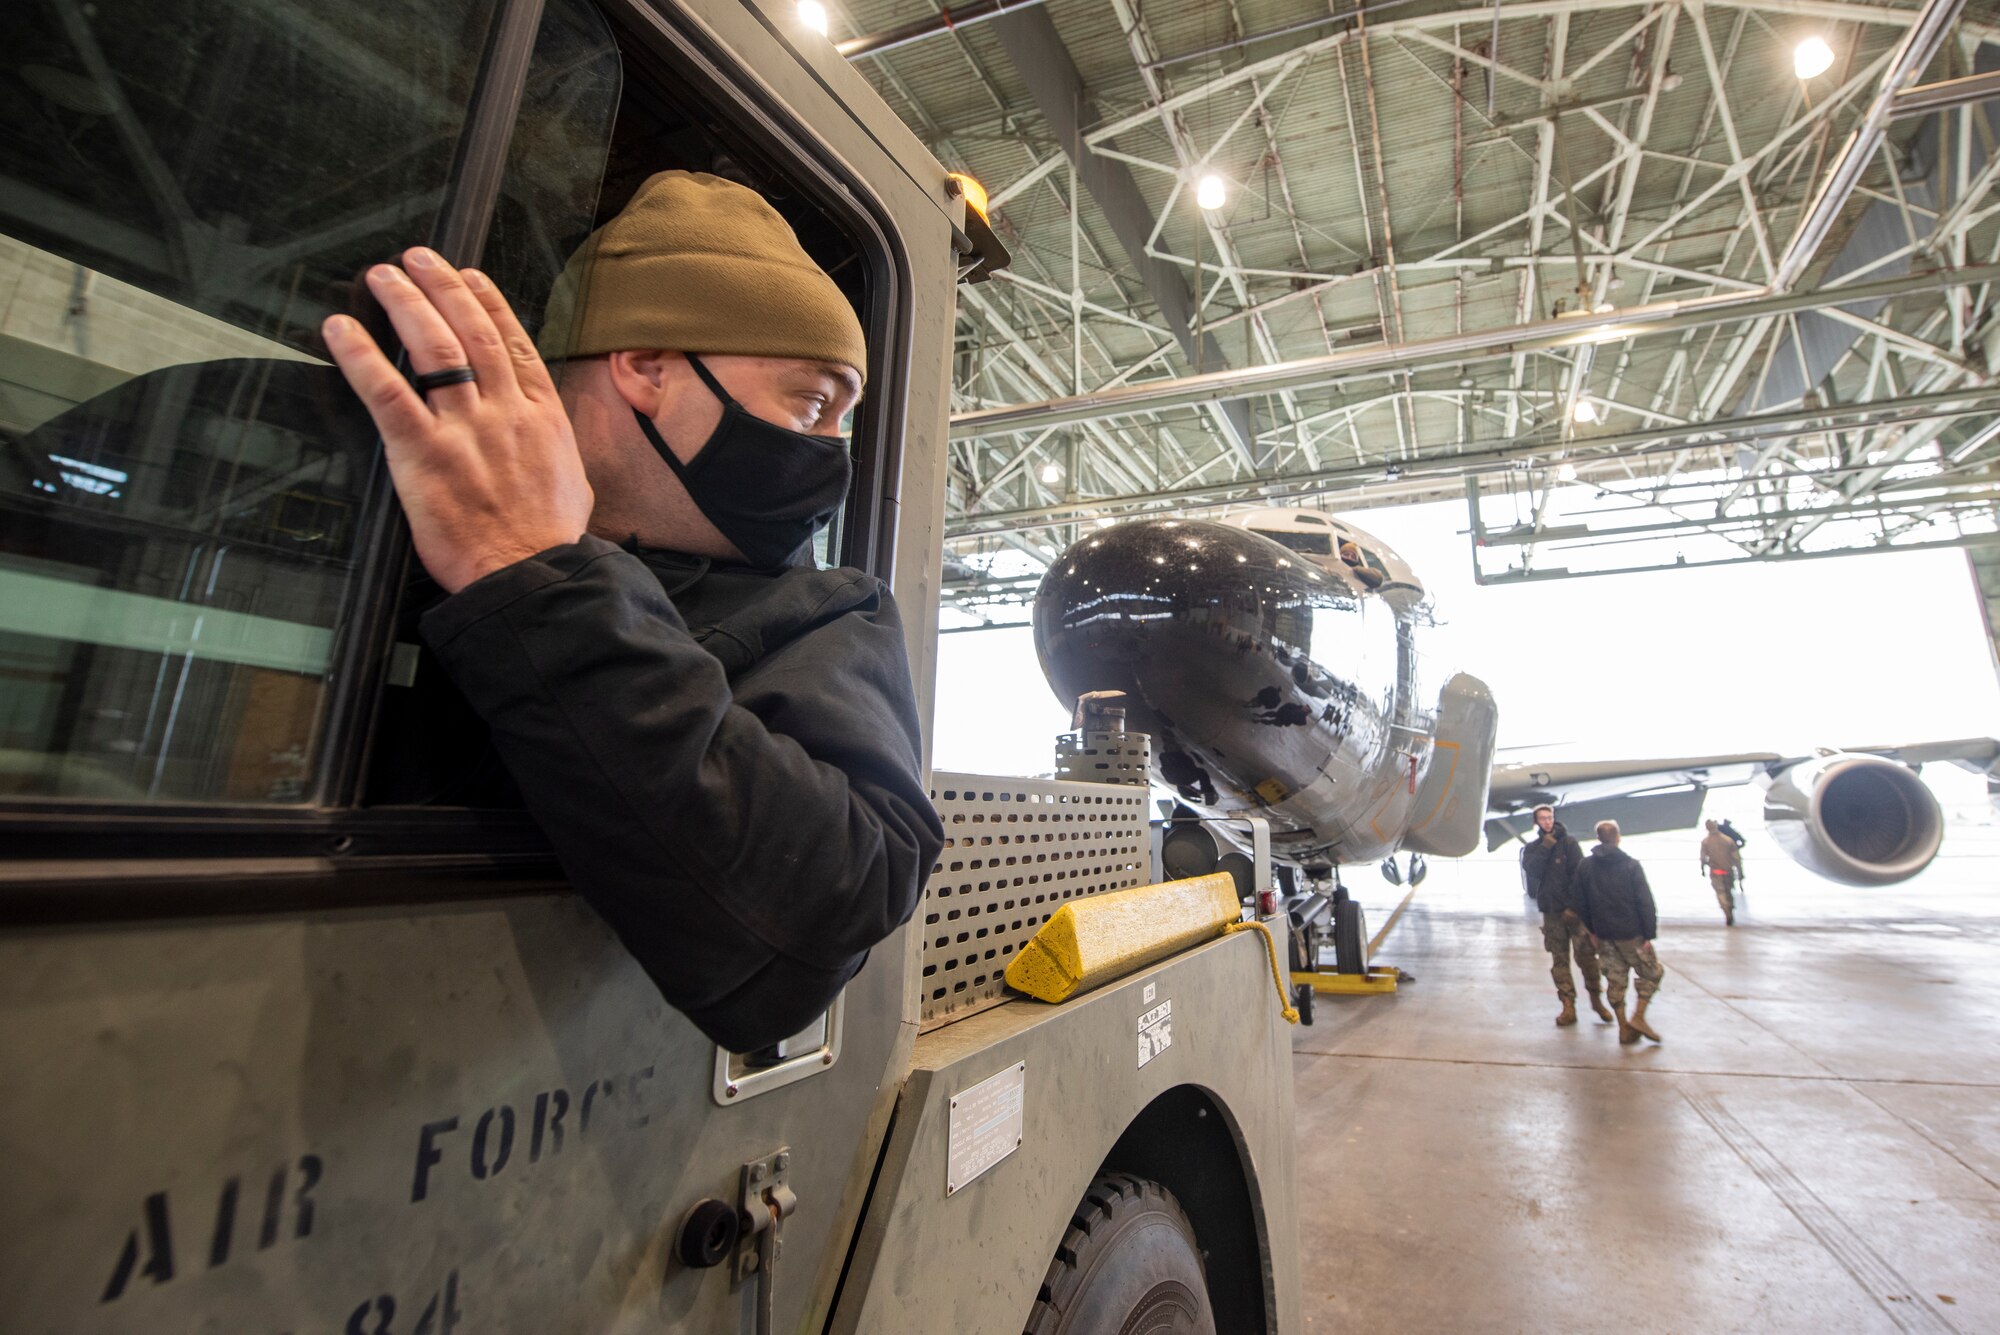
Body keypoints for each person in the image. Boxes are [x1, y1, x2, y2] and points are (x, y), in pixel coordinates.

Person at [318, 171, 945, 1052]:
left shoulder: (826, 611)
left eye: (844, 416)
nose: (832, 451)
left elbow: (832, 901)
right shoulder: (401, 524)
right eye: (812, 401)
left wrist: (537, 575)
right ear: (648, 367)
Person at [1519, 805, 1612, 1026]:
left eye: (1549, 818)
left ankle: (1596, 999)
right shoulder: (1534, 848)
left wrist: (1575, 907)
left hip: (1574, 913)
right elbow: (1532, 870)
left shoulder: (1569, 844)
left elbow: (1580, 876)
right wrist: (1545, 846)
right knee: (1559, 961)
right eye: (1542, 819)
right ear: (1537, 822)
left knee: (1587, 959)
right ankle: (1568, 1005)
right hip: (1551, 913)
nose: (1547, 822)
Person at [1576, 820, 1665, 1044]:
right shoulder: (1630, 865)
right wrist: (1648, 934)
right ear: (1618, 837)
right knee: (1652, 972)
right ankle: (1638, 1016)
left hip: (1604, 934)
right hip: (1630, 933)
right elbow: (1644, 901)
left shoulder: (1585, 866)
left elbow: (1580, 902)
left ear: (1598, 838)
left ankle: (1624, 1027)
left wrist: (1593, 930)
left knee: (1615, 981)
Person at [1699, 818, 1743, 925]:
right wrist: (1740, 872)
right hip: (1728, 870)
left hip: (1715, 871)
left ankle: (1726, 909)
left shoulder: (1706, 841)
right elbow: (1736, 858)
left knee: (1720, 892)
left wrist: (1702, 869)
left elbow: (1703, 858)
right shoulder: (1727, 840)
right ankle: (1730, 909)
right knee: (1728, 892)